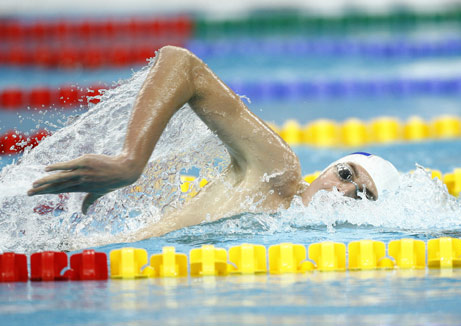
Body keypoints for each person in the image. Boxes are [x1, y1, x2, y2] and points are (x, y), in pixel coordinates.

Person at [27, 46, 399, 242]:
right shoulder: (278, 175)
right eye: (346, 174)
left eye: (364, 196)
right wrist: (130, 161)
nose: (344, 192)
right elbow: (182, 63)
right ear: (330, 168)